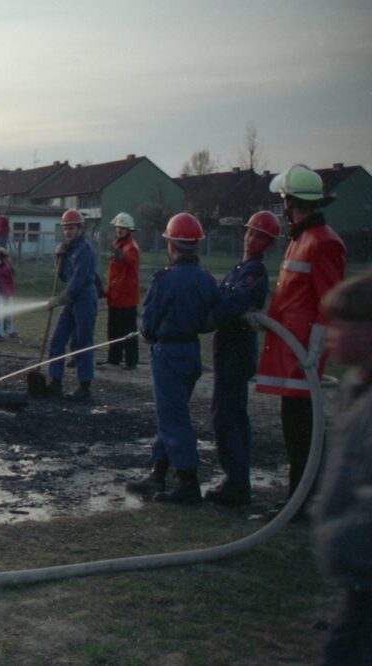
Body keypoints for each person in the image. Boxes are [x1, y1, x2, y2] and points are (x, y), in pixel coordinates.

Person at [255, 164, 346, 512]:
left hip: (302, 352)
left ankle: (304, 497)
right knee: (293, 427)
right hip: (289, 345)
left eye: (285, 201)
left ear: (291, 201)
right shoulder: (302, 238)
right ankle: (300, 495)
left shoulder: (323, 242)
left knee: (302, 429)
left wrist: (315, 350)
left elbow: (329, 301)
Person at [126, 213, 219, 504]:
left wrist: (146, 333)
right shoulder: (206, 280)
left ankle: (187, 484)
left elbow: (149, 322)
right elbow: (210, 320)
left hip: (168, 354)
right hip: (191, 352)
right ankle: (158, 473)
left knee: (174, 417)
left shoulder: (165, 281)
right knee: (171, 414)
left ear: (172, 245)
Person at [312, 271, 372, 665]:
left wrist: (339, 540)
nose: (330, 332)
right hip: (357, 575)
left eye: (342, 325)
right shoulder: (354, 387)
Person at [204, 212, 276, 506]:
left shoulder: (254, 273)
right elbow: (223, 299)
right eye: (249, 232)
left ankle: (235, 485)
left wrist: (204, 317)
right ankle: (236, 479)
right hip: (228, 350)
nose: (251, 238)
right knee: (233, 416)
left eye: (259, 235)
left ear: (268, 243)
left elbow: (229, 304)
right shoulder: (241, 268)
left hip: (237, 352)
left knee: (226, 418)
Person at [44, 209, 98, 401]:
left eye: (71, 228)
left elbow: (76, 284)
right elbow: (65, 277)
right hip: (71, 298)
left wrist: (57, 301)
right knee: (58, 339)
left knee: (83, 341)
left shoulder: (86, 252)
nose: (67, 232)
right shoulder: (69, 249)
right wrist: (59, 259)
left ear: (81, 229)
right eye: (65, 228)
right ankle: (55, 382)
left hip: (84, 297)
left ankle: (85, 387)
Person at [105, 212, 140, 369]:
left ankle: (131, 361)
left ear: (129, 230)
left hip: (126, 298)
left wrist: (118, 254)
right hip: (116, 296)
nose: (119, 230)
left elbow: (129, 261)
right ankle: (114, 359)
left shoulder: (130, 247)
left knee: (128, 331)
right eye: (118, 227)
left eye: (123, 227)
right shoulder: (119, 245)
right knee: (113, 330)